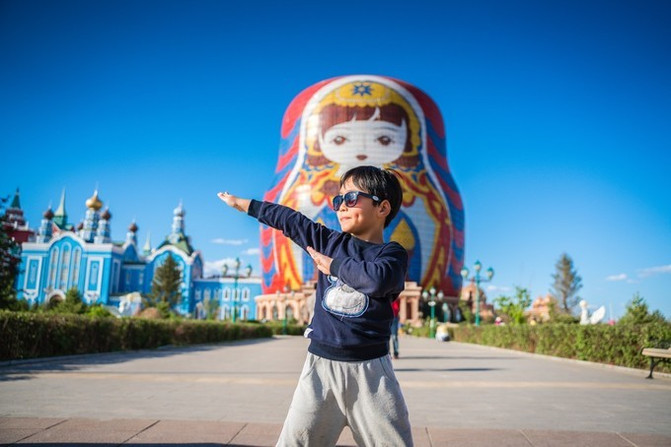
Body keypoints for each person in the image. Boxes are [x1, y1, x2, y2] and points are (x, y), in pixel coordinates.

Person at [218, 165, 413, 447]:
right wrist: (244, 204)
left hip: (371, 373)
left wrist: (333, 266)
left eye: (351, 198)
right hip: (320, 369)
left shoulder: (391, 254)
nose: (341, 206)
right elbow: (289, 220)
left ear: (382, 207)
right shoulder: (328, 242)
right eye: (339, 199)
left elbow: (378, 280)